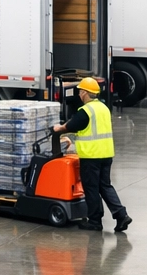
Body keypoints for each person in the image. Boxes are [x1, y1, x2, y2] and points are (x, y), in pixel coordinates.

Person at [53, 77, 131, 233]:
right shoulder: (104, 108)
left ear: (85, 93)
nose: (80, 95)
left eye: (81, 92)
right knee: (105, 186)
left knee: (92, 188)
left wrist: (59, 128)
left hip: (91, 156)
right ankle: (121, 214)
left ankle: (95, 221)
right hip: (106, 154)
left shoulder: (86, 111)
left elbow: (73, 125)